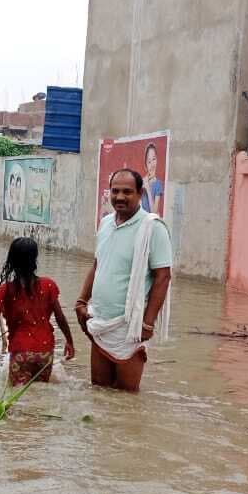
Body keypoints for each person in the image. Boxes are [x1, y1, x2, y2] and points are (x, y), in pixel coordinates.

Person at [75, 168, 172, 392]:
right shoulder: (106, 223)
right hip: (99, 321)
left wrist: (148, 323)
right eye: (115, 191)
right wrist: (81, 300)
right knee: (98, 391)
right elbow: (98, 264)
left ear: (140, 194)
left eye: (127, 192)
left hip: (130, 327)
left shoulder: (152, 228)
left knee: (127, 396)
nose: (119, 197)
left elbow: (163, 277)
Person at [0, 237, 75, 384]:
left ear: (11, 261)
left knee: (17, 397)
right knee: (40, 394)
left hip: (21, 352)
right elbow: (60, 318)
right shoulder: (49, 285)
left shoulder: (6, 291)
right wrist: (69, 341)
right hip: (45, 352)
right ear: (35, 259)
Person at [141, 142, 165, 216]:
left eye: (154, 159)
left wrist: (148, 189)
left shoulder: (158, 184)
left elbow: (153, 213)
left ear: (157, 160)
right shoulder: (141, 182)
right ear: (146, 165)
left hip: (151, 224)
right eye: (149, 161)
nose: (152, 164)